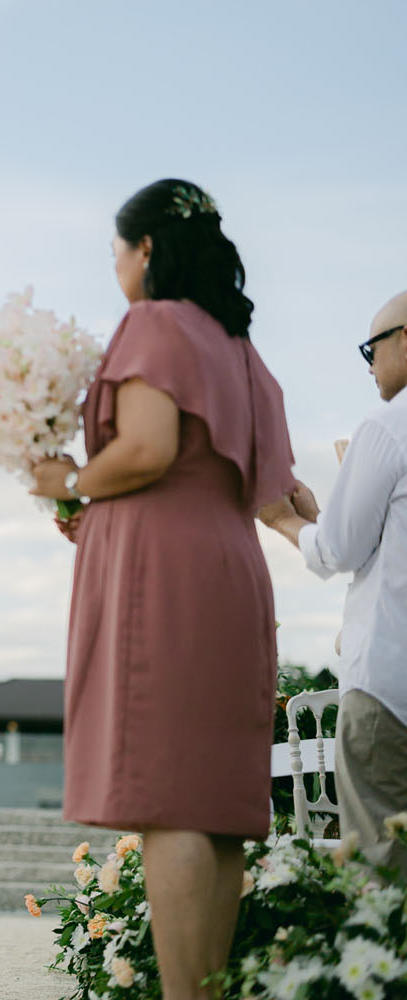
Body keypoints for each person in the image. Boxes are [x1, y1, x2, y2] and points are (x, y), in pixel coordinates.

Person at [30, 180, 295, 1000]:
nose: (115, 268)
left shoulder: (154, 323)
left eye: (116, 251)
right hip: (230, 565)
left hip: (165, 575)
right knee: (217, 806)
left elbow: (145, 449)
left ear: (146, 250)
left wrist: (67, 479)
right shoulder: (241, 351)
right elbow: (277, 491)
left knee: (172, 799)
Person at [258, 289, 407, 878]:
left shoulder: (388, 425)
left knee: (384, 873)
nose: (369, 365)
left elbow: (338, 552)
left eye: (372, 347)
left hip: (390, 690)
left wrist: (284, 520)